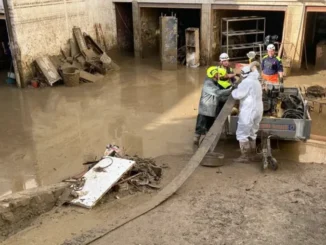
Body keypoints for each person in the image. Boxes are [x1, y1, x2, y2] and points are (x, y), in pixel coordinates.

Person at [231, 62, 263, 162]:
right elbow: (256, 67)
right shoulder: (256, 80)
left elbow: (238, 95)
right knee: (252, 132)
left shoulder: (246, 82)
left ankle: (245, 156)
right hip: (258, 109)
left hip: (249, 109)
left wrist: (233, 90)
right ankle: (252, 154)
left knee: (242, 133)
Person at [193, 66, 233, 145]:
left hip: (211, 110)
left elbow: (220, 94)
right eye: (218, 74)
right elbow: (217, 93)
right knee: (200, 129)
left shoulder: (214, 82)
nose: (219, 76)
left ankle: (205, 143)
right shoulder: (208, 83)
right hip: (205, 111)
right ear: (213, 75)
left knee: (209, 129)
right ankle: (197, 142)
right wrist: (231, 89)